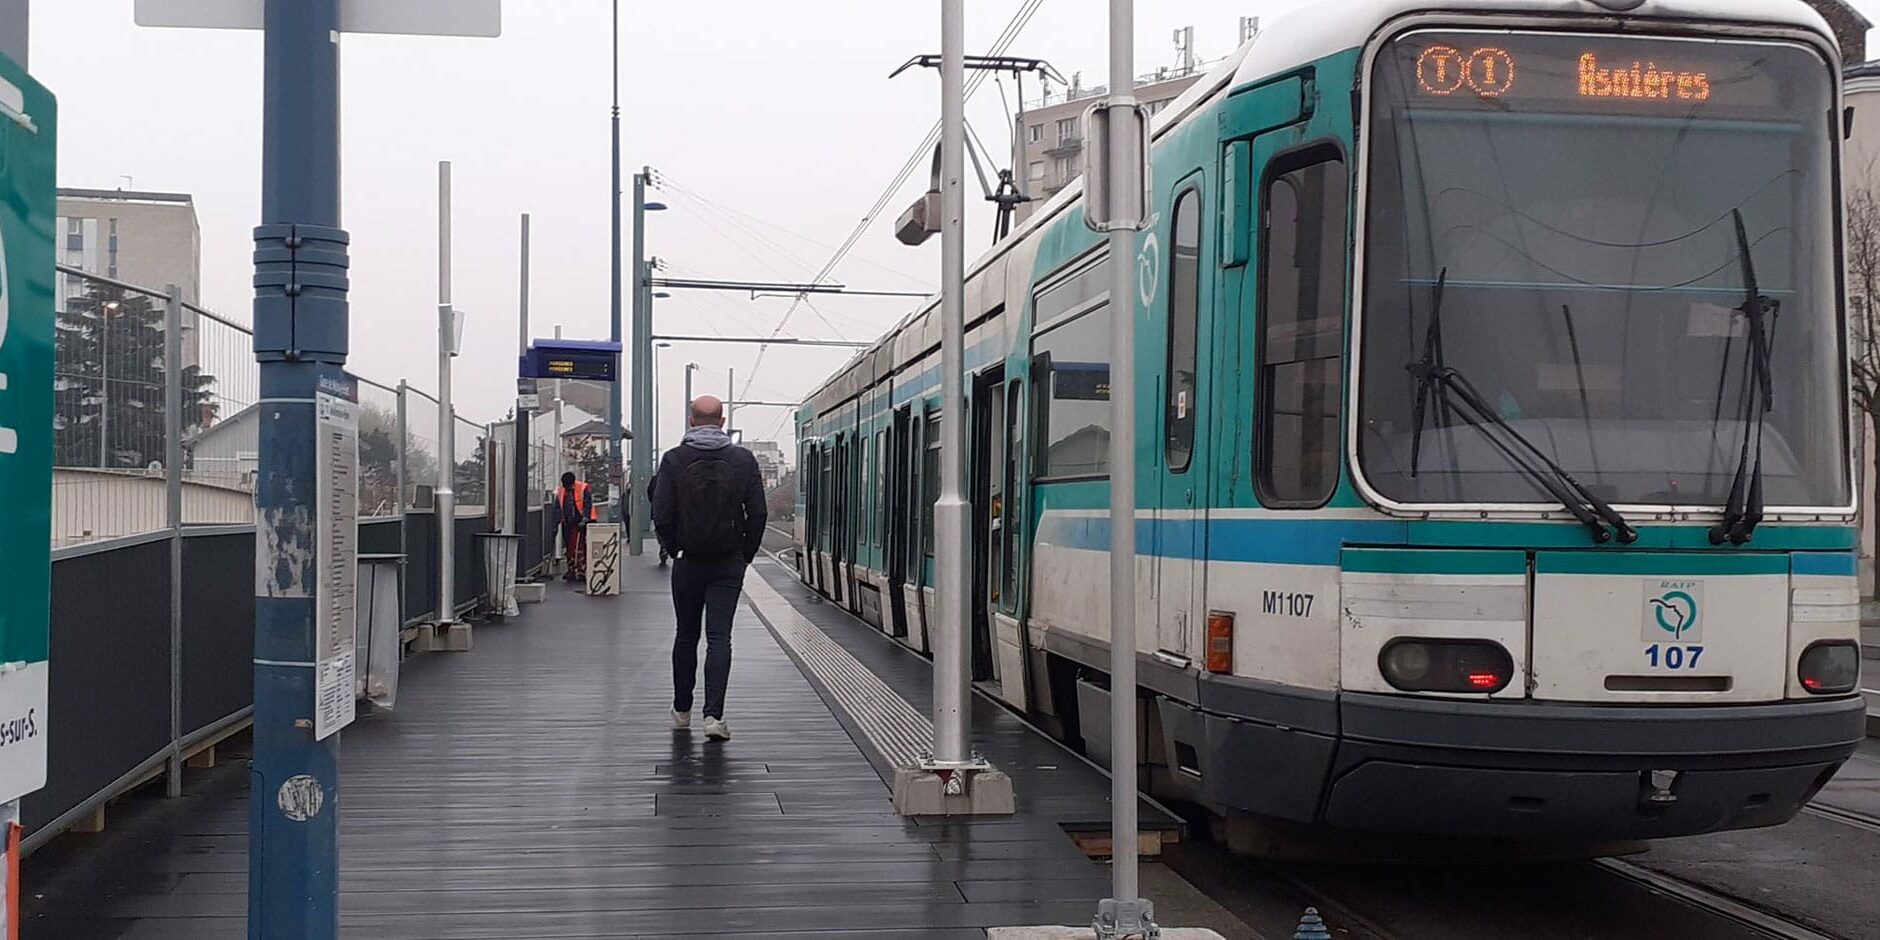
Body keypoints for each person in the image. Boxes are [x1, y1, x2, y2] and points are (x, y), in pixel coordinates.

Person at [653, 395, 765, 741]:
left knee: (686, 634)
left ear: (691, 421)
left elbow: (662, 513)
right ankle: (713, 717)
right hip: (727, 563)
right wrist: (743, 554)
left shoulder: (674, 460)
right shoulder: (743, 459)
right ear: (722, 421)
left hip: (688, 562)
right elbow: (758, 513)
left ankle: (682, 709)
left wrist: (675, 549)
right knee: (719, 637)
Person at [554, 471, 597, 583]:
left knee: (581, 546)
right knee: (569, 547)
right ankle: (572, 569)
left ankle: (582, 569)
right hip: (568, 522)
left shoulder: (583, 488)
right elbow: (558, 507)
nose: (567, 489)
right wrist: (557, 522)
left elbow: (588, 504)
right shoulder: (561, 491)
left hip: (582, 521)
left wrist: (585, 519)